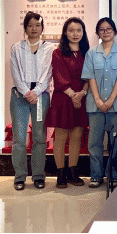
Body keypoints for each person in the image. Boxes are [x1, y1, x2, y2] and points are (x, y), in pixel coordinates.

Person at [81, 17, 117, 188]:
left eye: (109, 29)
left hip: (116, 106)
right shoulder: (91, 53)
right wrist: (98, 100)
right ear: (97, 33)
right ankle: (96, 175)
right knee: (94, 143)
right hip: (95, 106)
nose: (105, 32)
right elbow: (90, 77)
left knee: (115, 143)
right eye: (102, 29)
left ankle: (113, 175)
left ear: (114, 31)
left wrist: (110, 101)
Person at [9, 11, 53, 191]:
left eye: (37, 25)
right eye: (30, 25)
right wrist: (27, 93)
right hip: (19, 96)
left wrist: (36, 92)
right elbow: (15, 73)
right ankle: (19, 177)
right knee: (19, 139)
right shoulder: (16, 48)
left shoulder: (49, 48)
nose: (34, 28)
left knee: (40, 138)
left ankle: (38, 176)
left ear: (42, 28)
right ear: (25, 28)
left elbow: (48, 73)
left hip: (41, 96)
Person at [45, 17, 90, 189]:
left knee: (76, 136)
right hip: (63, 99)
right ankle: (60, 174)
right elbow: (59, 77)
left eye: (79, 30)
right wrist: (73, 95)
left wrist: (82, 93)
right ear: (65, 32)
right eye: (71, 30)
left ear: (83, 32)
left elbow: (90, 76)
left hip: (81, 97)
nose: (75, 34)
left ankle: (73, 172)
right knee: (61, 137)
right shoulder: (57, 53)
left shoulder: (87, 53)